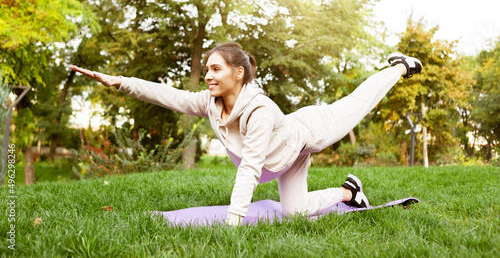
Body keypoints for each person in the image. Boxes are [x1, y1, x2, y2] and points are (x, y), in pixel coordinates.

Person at [70, 42, 422, 225]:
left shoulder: (259, 110)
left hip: (308, 132)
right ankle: (349, 193)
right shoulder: (210, 102)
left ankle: (401, 66)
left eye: (216, 68)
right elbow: (171, 97)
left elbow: (250, 168)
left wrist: (233, 225)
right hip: (284, 159)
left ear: (238, 73)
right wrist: (121, 83)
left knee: (357, 103)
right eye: (207, 68)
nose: (208, 75)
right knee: (295, 214)